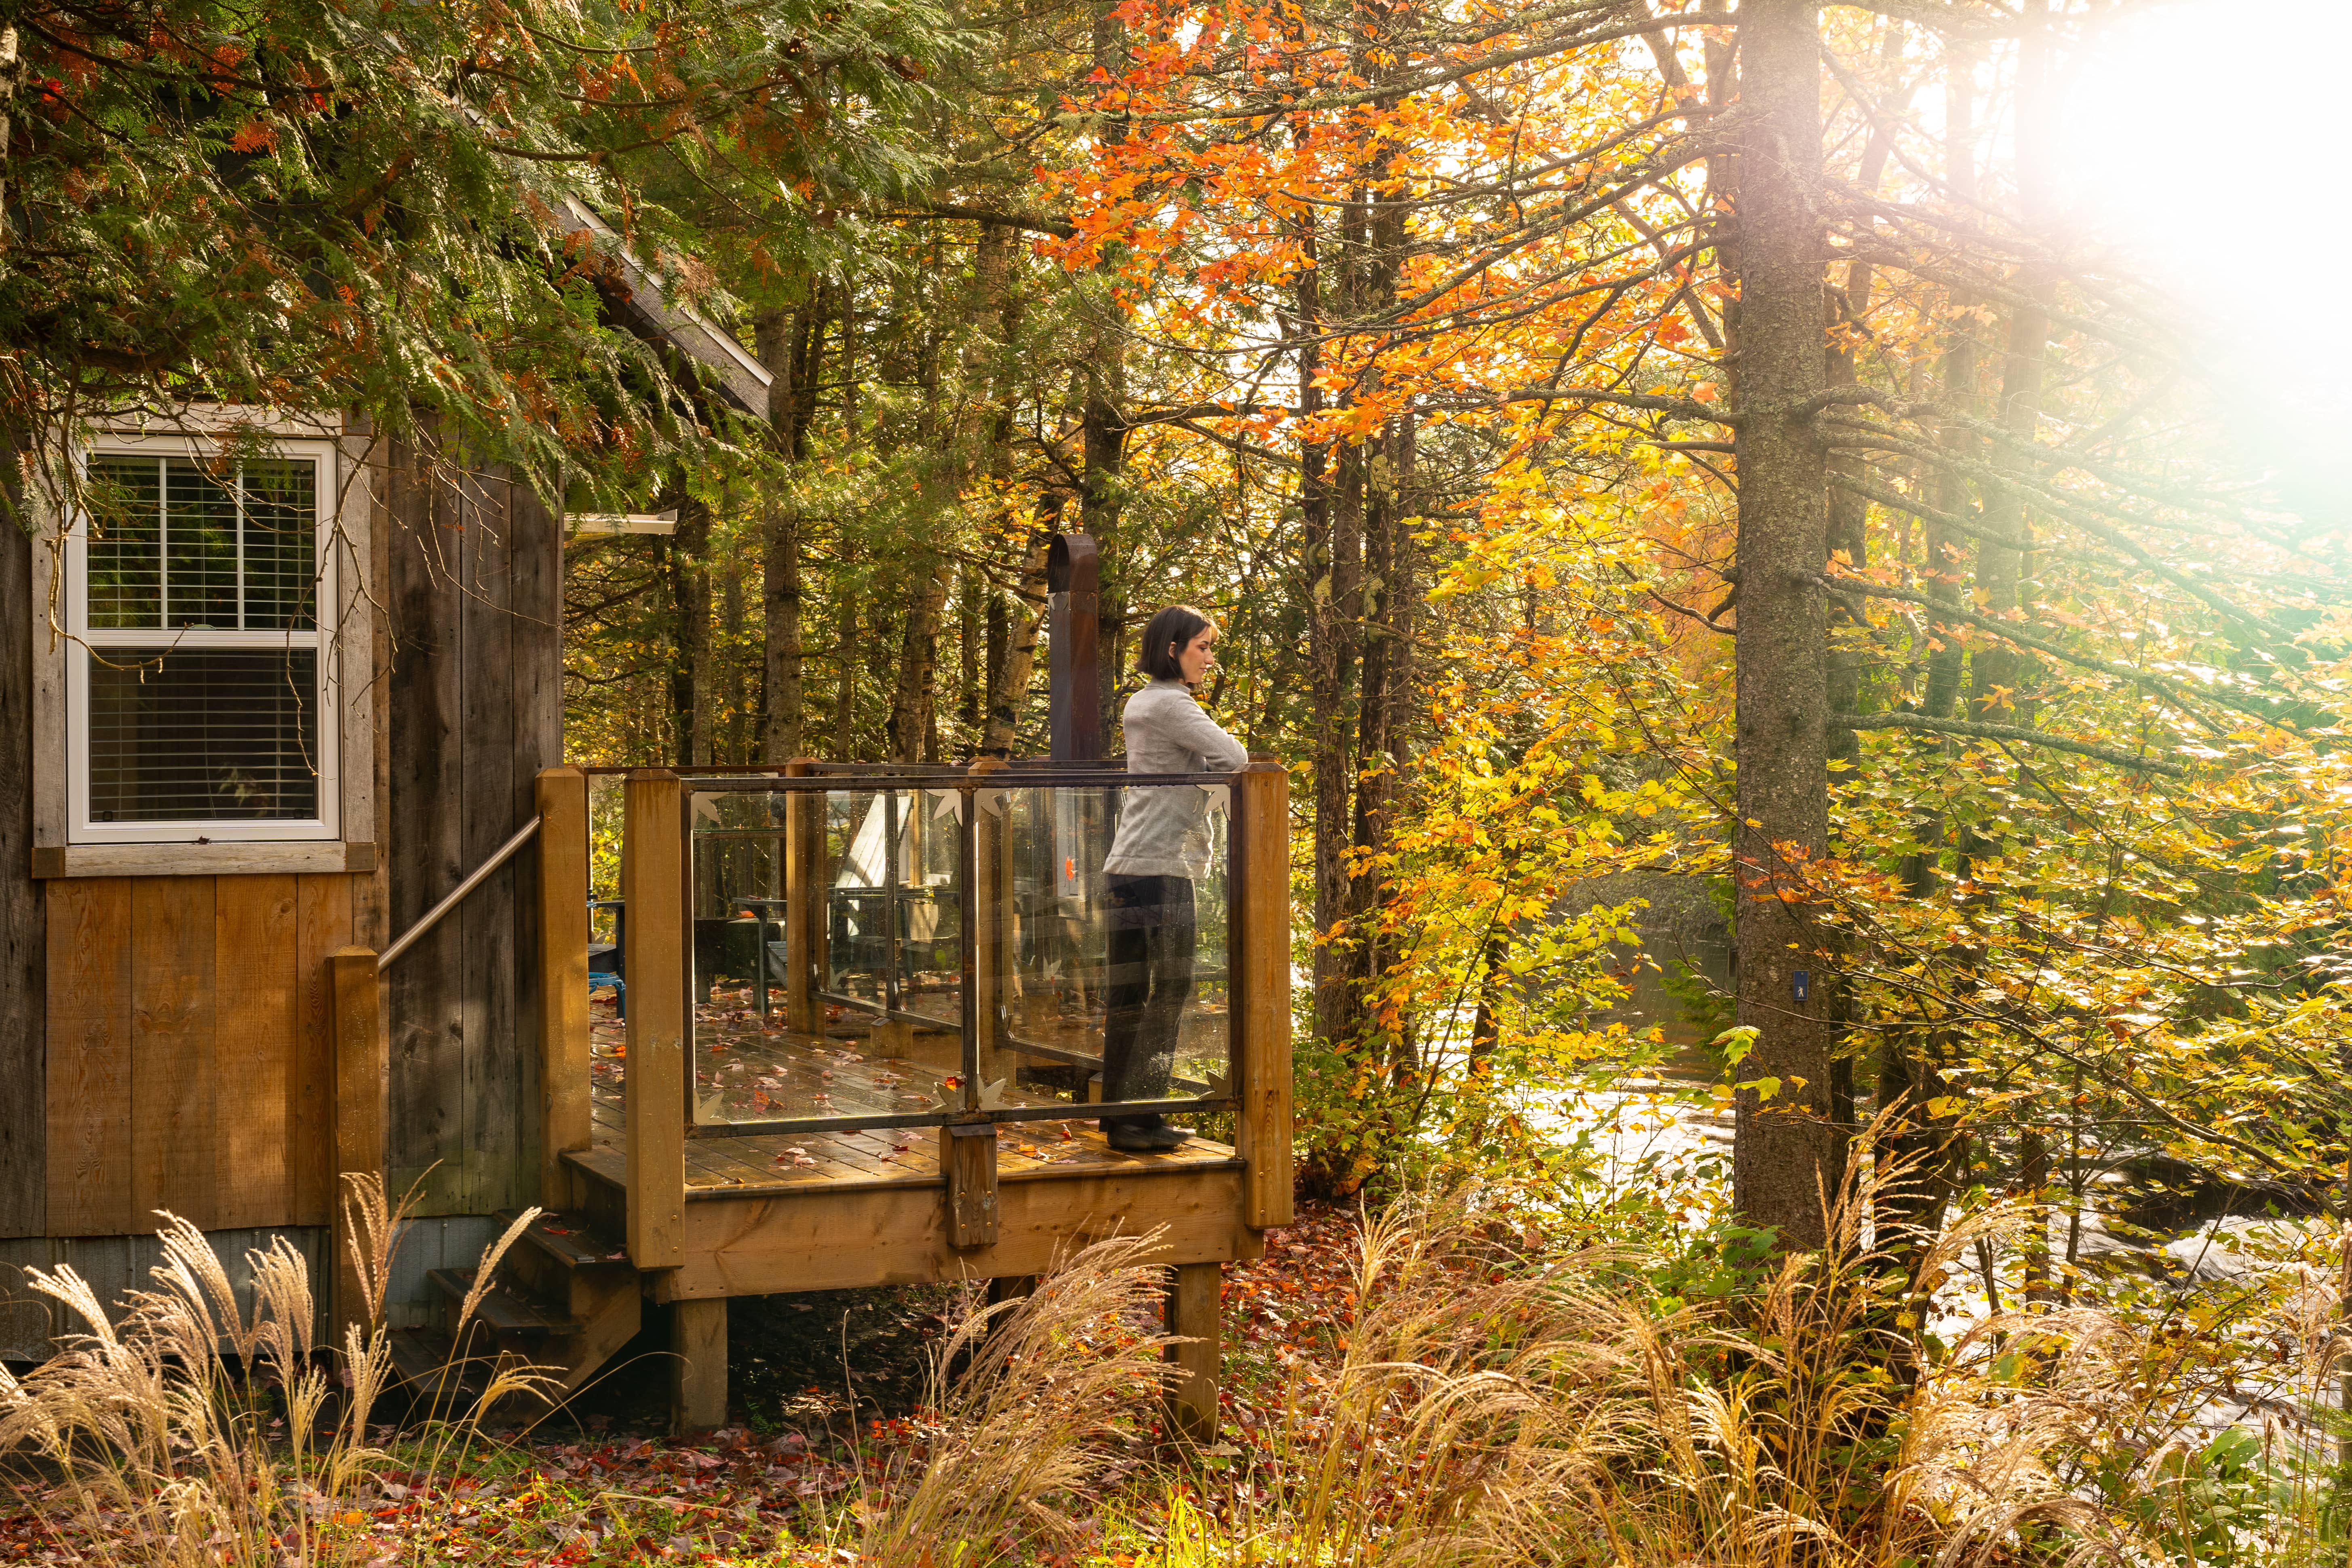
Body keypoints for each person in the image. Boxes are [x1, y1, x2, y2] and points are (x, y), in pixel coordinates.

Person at [1097, 604, 1249, 1152]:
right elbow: (1236, 756)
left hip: (1126, 865)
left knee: (1130, 996)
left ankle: (1122, 1118)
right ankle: (1141, 1119)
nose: (1209, 659)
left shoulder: (1141, 701)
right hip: (1161, 869)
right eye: (1202, 648)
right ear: (1173, 650)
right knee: (1170, 992)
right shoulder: (1171, 704)